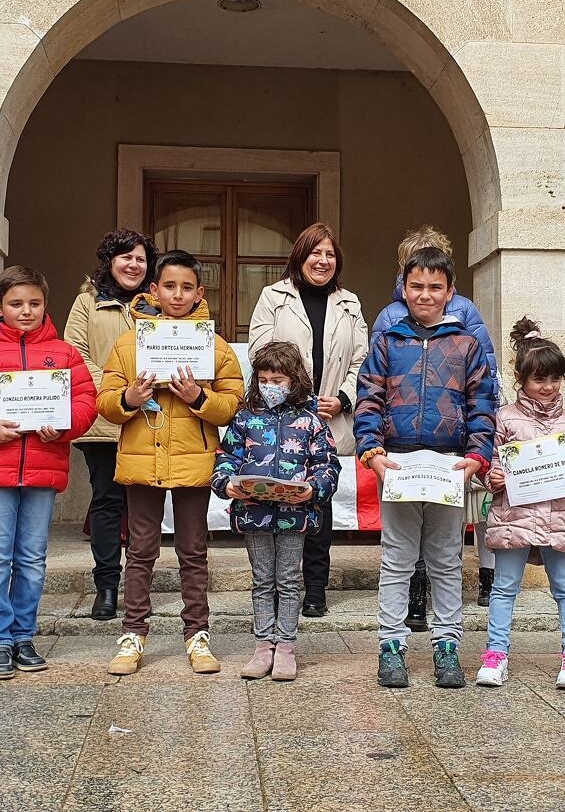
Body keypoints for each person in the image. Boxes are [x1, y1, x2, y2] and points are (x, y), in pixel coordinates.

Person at [97, 250, 244, 677]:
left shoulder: (214, 346)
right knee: (140, 550)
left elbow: (232, 405)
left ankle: (197, 634)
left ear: (200, 293)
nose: (177, 295)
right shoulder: (128, 344)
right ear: (154, 290)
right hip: (143, 459)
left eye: (186, 287)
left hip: (193, 461)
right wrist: (129, 398)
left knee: (193, 551)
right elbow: (105, 401)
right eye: (169, 286)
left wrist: (198, 397)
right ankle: (133, 634)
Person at [355, 246, 496, 689]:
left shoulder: (467, 344)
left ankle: (447, 644)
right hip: (397, 463)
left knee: (446, 560)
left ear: (450, 291)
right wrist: (372, 451)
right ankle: (391, 644)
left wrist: (477, 456)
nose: (425, 294)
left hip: (449, 466)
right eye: (416, 286)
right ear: (404, 288)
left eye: (435, 287)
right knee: (397, 559)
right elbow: (369, 399)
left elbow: (482, 403)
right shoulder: (387, 341)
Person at [0, 266, 97, 680]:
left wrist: (63, 424)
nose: (26, 311)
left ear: (45, 304)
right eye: (16, 304)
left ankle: (23, 635)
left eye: (34, 303)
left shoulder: (64, 354)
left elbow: (86, 400)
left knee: (32, 558)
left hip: (42, 469)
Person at [248, 223, 367, 619]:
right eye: (316, 252)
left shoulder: (349, 303)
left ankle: (315, 587)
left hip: (329, 416)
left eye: (330, 254)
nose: (323, 260)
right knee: (277, 497)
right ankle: (277, 586)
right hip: (282, 416)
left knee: (319, 499)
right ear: (300, 256)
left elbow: (363, 361)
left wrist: (343, 398)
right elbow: (260, 352)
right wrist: (297, 396)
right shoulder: (274, 297)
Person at [477, 319, 565, 690]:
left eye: (555, 379)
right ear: (521, 379)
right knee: (504, 588)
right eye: (539, 379)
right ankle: (496, 654)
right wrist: (492, 476)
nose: (547, 387)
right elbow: (488, 464)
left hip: (559, 517)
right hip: (513, 517)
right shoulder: (504, 418)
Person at [211, 341, 341, 681]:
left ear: (294, 380)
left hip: (295, 515)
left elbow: (327, 465)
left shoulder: (311, 422)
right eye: (264, 380)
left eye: (278, 380)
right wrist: (225, 483)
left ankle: (286, 646)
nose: (270, 386)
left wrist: (313, 489)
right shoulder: (244, 418)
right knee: (261, 579)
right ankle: (263, 645)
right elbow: (227, 457)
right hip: (253, 512)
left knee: (288, 578)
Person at [64, 229, 158, 620]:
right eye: (125, 257)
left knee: (143, 506)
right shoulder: (88, 301)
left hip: (150, 418)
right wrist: (120, 391)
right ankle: (106, 585)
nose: (133, 265)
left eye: (140, 259)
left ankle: (138, 586)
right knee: (106, 501)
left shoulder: (156, 303)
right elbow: (75, 353)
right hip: (103, 419)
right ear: (110, 261)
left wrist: (144, 393)